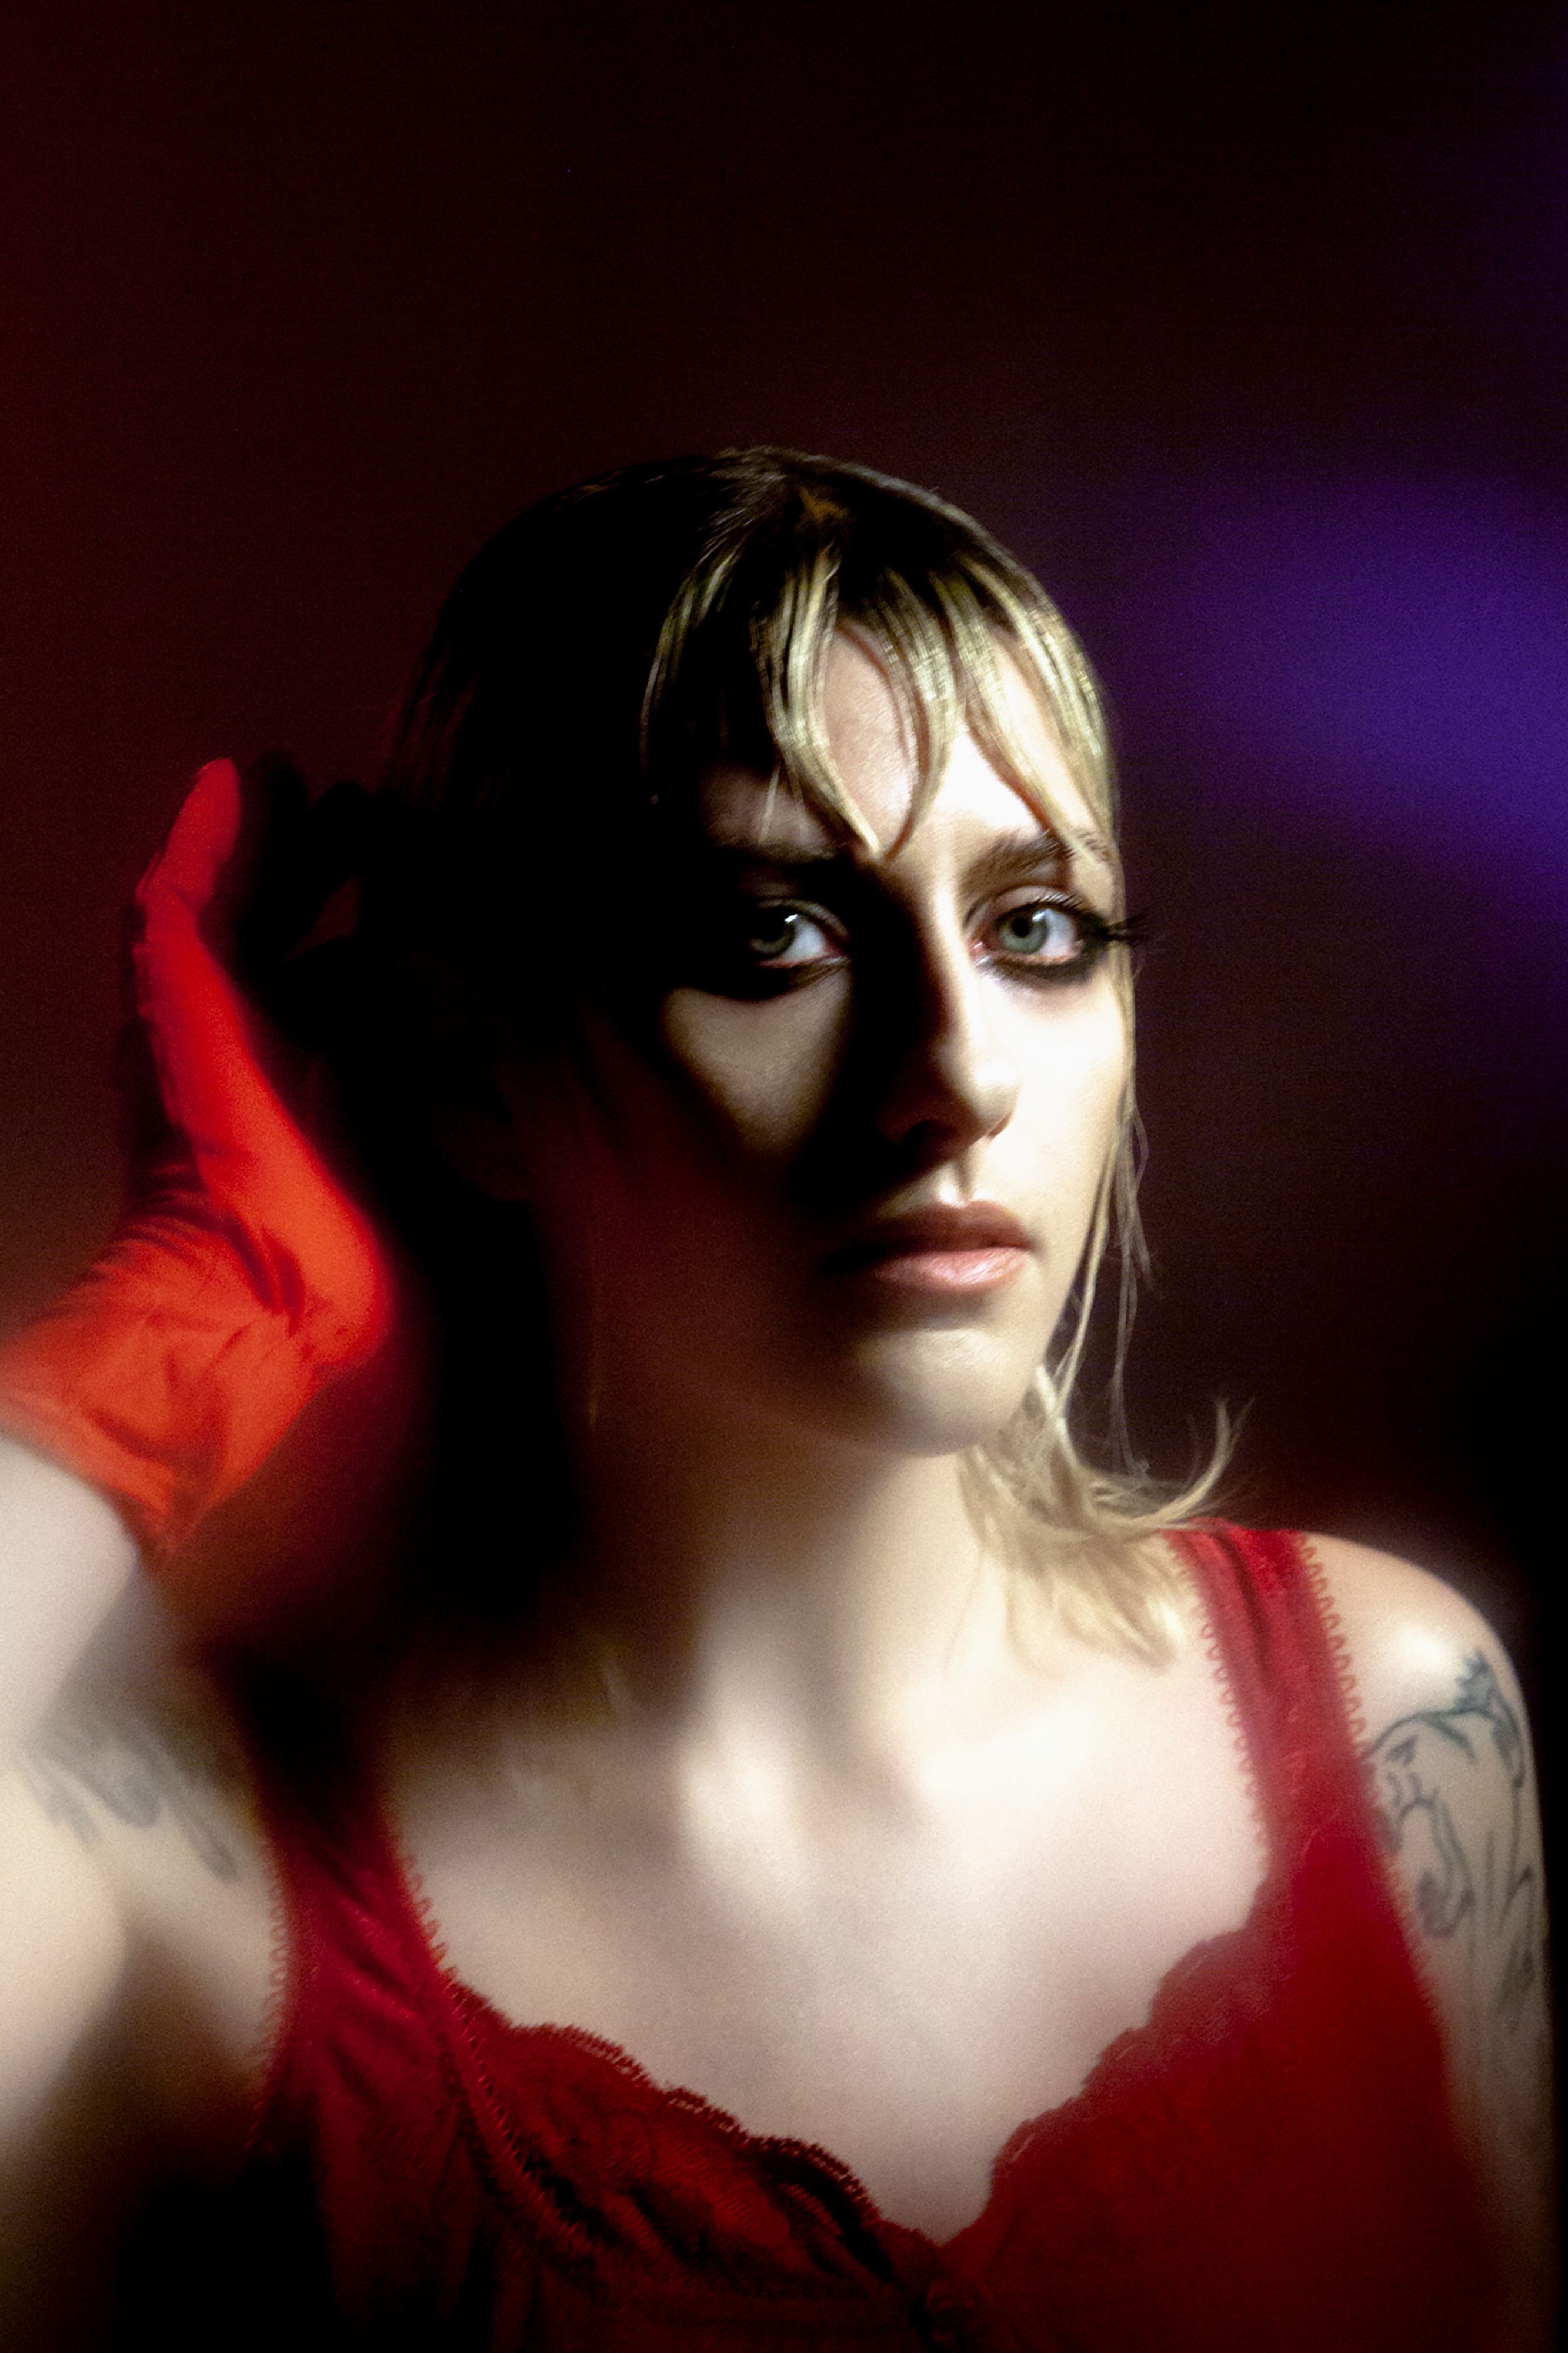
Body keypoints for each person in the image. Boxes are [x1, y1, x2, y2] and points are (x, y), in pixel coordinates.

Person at [0, 451, 1552, 2351]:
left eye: (1036, 929)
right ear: (473, 1072)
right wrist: (185, 1321)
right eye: (772, 937)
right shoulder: (190, 1898)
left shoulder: (1395, 1719)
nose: (955, 1075)